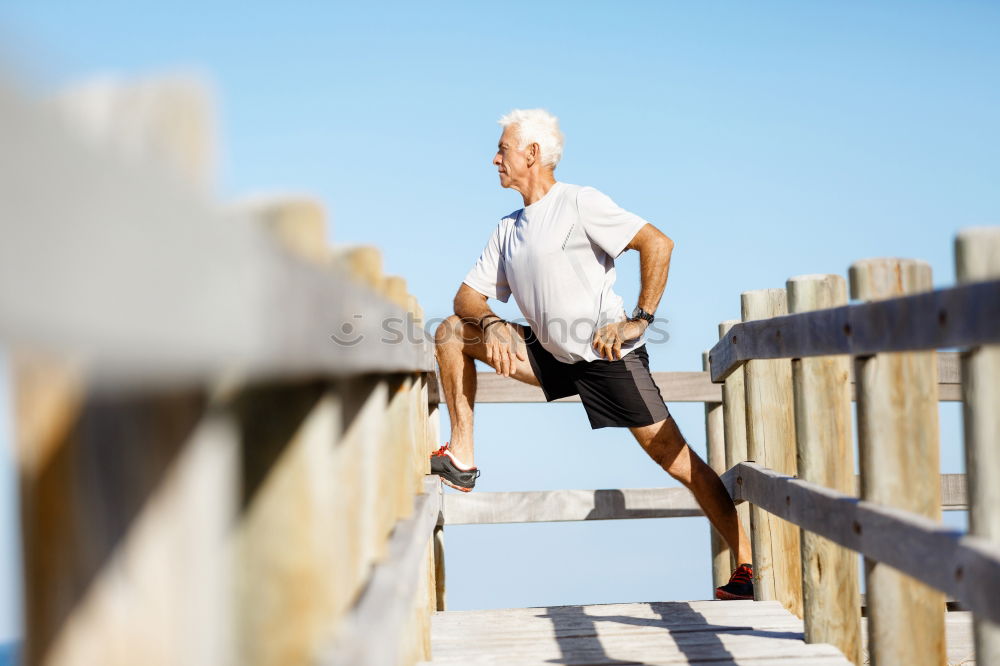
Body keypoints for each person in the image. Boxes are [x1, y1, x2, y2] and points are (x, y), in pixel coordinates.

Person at [431, 108, 754, 600]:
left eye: (503, 150)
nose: (494, 158)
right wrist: (493, 323)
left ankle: (747, 569)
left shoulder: (580, 202)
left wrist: (638, 320)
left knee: (676, 458)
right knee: (454, 331)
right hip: (546, 353)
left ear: (532, 154)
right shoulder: (508, 228)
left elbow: (657, 244)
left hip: (606, 358)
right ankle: (463, 456)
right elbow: (466, 299)